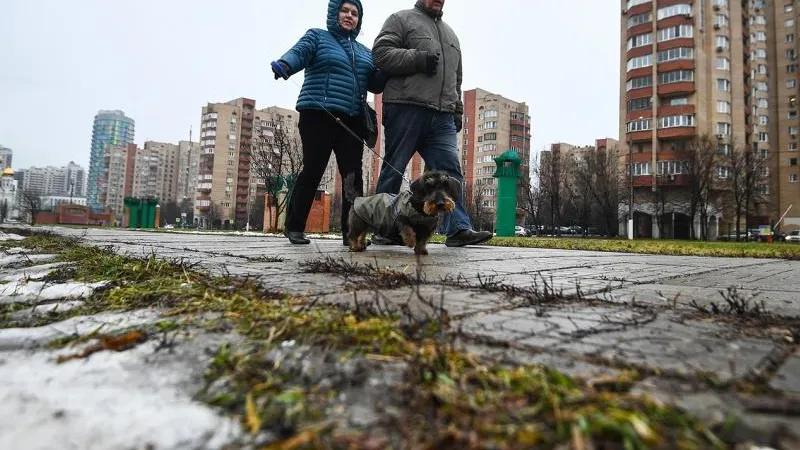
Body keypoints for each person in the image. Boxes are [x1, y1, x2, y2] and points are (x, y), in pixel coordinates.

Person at [371, 0, 492, 247]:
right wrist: (418, 59)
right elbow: (381, 54)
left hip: (442, 116)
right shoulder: (401, 19)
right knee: (394, 168)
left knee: (450, 173)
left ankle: (458, 228)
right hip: (406, 107)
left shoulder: (451, 35)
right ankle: (385, 229)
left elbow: (456, 79)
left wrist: (457, 110)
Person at [271, 0, 385, 245]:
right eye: (345, 10)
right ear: (334, 13)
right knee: (313, 169)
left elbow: (375, 84)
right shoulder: (317, 37)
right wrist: (286, 64)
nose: (349, 16)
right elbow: (299, 53)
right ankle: (295, 228)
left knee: (353, 178)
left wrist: (386, 70)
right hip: (318, 114)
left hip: (352, 120)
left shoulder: (365, 52)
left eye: (355, 13)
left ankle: (352, 233)